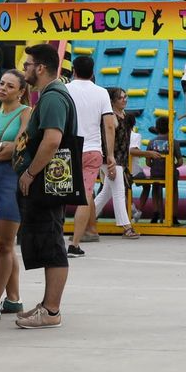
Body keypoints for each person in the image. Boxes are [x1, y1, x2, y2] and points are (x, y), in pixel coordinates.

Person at [12, 44, 75, 328]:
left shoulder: (52, 97)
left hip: (46, 182)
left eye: (27, 65)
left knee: (52, 243)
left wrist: (30, 174)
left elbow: (52, 140)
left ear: (40, 68)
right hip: (47, 181)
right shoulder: (51, 95)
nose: (25, 69)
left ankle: (51, 311)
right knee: (47, 240)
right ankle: (48, 304)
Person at [0, 69, 28, 320]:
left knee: (4, 244)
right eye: (2, 83)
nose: (3, 88)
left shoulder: (26, 113)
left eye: (10, 86)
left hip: (11, 181)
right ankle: (13, 299)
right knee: (4, 245)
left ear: (21, 91)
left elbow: (18, 147)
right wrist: (0, 150)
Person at [63, 54, 116, 256]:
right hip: (92, 149)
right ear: (93, 72)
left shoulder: (65, 90)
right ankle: (75, 243)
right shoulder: (101, 93)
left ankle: (55, 238)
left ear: (73, 71)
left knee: (59, 193)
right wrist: (109, 155)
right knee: (86, 195)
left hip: (67, 148)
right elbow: (109, 125)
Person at [93, 88, 142, 241]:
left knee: (106, 193)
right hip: (111, 158)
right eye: (121, 98)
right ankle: (126, 226)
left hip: (119, 158)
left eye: (125, 97)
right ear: (113, 101)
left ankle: (86, 218)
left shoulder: (124, 116)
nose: (124, 100)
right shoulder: (110, 117)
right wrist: (110, 158)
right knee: (119, 192)